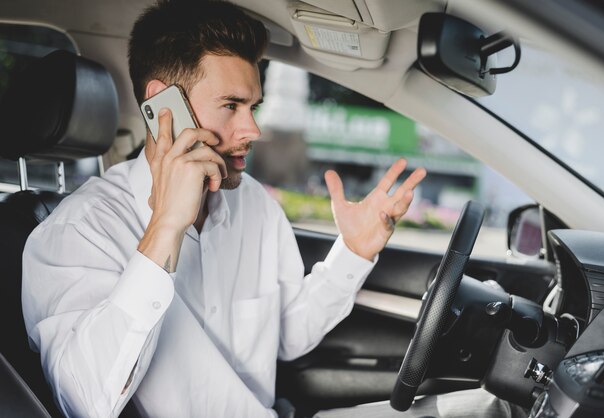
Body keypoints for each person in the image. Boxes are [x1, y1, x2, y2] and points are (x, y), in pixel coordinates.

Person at [21, 0, 425, 417]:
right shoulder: (77, 231)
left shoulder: (252, 204)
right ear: (164, 107)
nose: (253, 130)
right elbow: (83, 402)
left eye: (253, 108)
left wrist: (353, 253)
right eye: (231, 106)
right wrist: (165, 228)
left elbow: (287, 337)